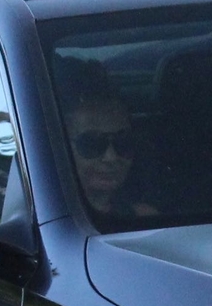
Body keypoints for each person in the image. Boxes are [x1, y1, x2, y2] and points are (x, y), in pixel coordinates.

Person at [58, 66, 154, 219]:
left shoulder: (146, 219)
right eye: (91, 143)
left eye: (123, 142)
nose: (111, 157)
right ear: (61, 148)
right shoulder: (41, 226)